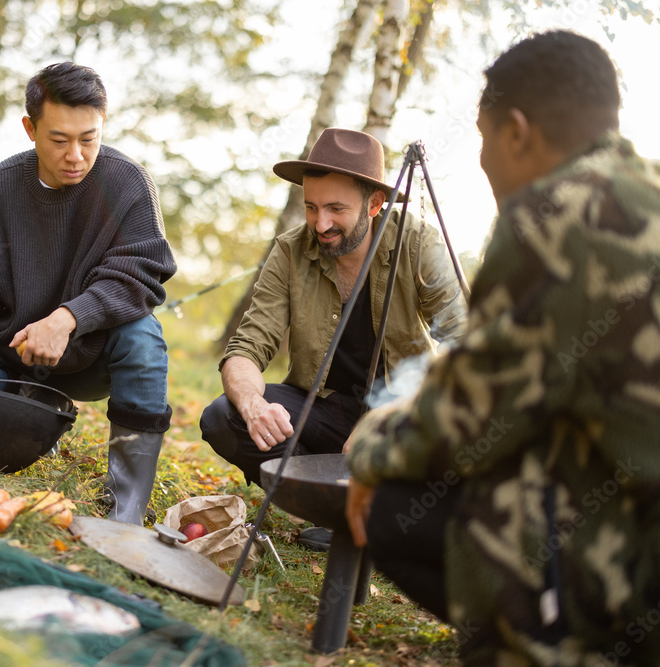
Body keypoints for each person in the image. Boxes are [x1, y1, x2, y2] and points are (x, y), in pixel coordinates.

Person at [344, 30, 660, 665]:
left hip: (647, 567)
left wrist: (374, 449)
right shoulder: (652, 193)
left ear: (517, 130)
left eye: (486, 141)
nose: (486, 162)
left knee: (397, 503)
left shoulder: (560, 215)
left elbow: (470, 417)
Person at [0, 62, 177, 526]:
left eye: (88, 138)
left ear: (103, 126)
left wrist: (67, 319)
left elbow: (141, 272)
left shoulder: (128, 183)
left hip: (93, 355)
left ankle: (127, 504)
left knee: (143, 336)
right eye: (59, 140)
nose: (76, 154)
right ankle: (33, 425)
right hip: (10, 353)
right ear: (30, 129)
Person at [199, 127, 468, 550]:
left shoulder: (417, 242)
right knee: (223, 417)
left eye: (336, 209)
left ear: (375, 204)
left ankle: (388, 511)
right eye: (311, 207)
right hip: (324, 409)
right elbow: (247, 347)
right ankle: (336, 505)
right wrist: (253, 406)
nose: (321, 223)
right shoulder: (290, 251)